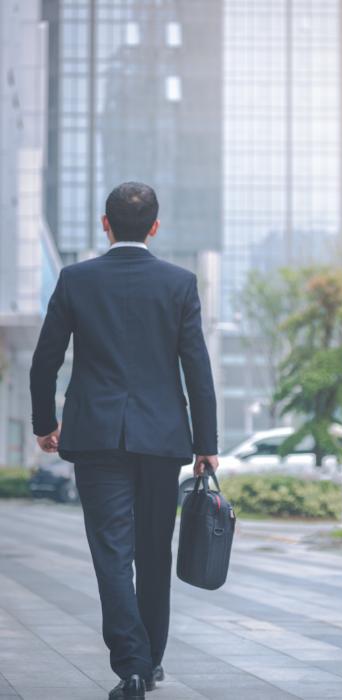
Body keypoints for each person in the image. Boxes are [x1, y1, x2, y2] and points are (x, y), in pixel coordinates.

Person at [29, 182, 219, 700]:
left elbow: (46, 358)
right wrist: (207, 441)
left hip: (95, 439)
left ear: (104, 223)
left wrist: (44, 422)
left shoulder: (76, 280)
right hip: (162, 440)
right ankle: (150, 662)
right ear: (155, 227)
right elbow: (196, 368)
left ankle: (132, 667)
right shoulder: (179, 284)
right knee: (155, 551)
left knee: (112, 553)